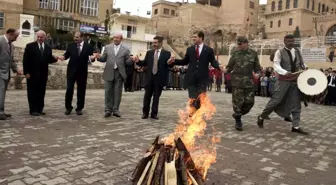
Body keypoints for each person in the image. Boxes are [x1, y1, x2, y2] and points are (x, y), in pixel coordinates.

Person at [257, 34, 309, 135]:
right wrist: (285, 72)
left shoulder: (298, 51)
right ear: (284, 42)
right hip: (283, 80)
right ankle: (262, 116)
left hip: (295, 81)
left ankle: (296, 126)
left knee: (296, 104)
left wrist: (305, 67)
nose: (291, 43)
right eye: (288, 41)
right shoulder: (279, 52)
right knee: (276, 100)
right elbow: (276, 65)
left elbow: (302, 63)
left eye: (292, 41)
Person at [168, 31, 220, 114]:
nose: (193, 38)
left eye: (195, 37)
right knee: (192, 99)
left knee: (199, 100)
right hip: (191, 79)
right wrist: (174, 62)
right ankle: (192, 116)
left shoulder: (209, 50)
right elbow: (185, 61)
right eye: (193, 37)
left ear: (201, 38)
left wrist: (219, 67)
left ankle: (196, 115)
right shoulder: (190, 49)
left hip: (202, 79)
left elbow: (213, 61)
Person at [225, 36, 261, 131]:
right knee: (237, 102)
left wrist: (258, 74)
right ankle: (238, 119)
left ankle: (238, 114)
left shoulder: (253, 54)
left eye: (240, 44)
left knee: (250, 102)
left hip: (249, 82)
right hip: (237, 82)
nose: (239, 45)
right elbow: (229, 67)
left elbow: (257, 67)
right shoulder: (235, 54)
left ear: (246, 43)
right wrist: (225, 70)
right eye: (238, 44)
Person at [96, 32, 135, 118]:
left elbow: (127, 62)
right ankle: (108, 110)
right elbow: (103, 59)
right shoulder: (107, 47)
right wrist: (98, 57)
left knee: (117, 92)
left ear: (121, 39)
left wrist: (131, 60)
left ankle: (116, 110)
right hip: (109, 71)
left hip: (119, 73)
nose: (115, 39)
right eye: (114, 38)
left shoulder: (126, 49)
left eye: (117, 38)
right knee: (108, 91)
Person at [58, 32, 96, 115]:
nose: (75, 38)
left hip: (82, 72)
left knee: (81, 91)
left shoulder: (88, 46)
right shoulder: (71, 45)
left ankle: (79, 108)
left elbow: (91, 58)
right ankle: (68, 108)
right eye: (74, 37)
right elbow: (67, 54)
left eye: (77, 37)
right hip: (71, 71)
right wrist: (63, 57)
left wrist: (93, 58)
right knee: (69, 89)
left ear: (82, 38)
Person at [134, 36, 172, 119]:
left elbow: (170, 65)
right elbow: (144, 63)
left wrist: (170, 63)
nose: (153, 44)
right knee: (147, 96)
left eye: (155, 42)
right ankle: (145, 113)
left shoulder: (167, 53)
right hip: (149, 78)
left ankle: (154, 114)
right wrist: (138, 61)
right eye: (153, 42)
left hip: (159, 79)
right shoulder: (149, 53)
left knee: (156, 97)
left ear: (160, 43)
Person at [23, 30, 58, 116]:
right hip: (32, 74)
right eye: (38, 37)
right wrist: (26, 72)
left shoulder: (48, 47)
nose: (39, 38)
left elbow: (48, 58)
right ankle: (33, 109)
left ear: (45, 37)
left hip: (43, 74)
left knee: (41, 92)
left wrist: (56, 58)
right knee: (32, 92)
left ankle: (40, 109)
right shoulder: (30, 46)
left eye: (41, 37)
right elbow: (25, 60)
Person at [0, 28, 22, 120]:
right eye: (15, 37)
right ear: (10, 34)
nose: (16, 39)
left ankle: (2, 111)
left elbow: (11, 60)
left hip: (6, 73)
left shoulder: (11, 46)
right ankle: (0, 112)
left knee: (2, 92)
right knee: (0, 92)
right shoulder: (0, 41)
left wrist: (16, 69)